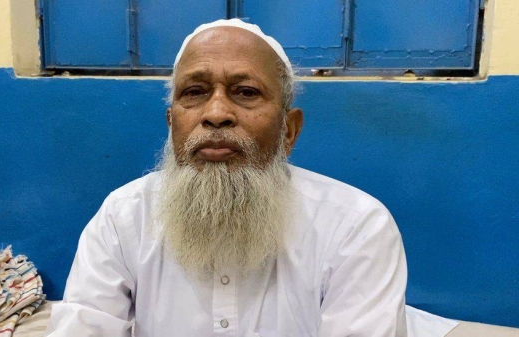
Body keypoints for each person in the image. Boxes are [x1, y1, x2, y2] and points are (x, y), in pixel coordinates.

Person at [45, 19, 407, 336]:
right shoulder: (123, 218)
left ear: (289, 131)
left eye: (246, 92)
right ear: (172, 125)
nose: (216, 113)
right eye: (195, 92)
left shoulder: (356, 226)